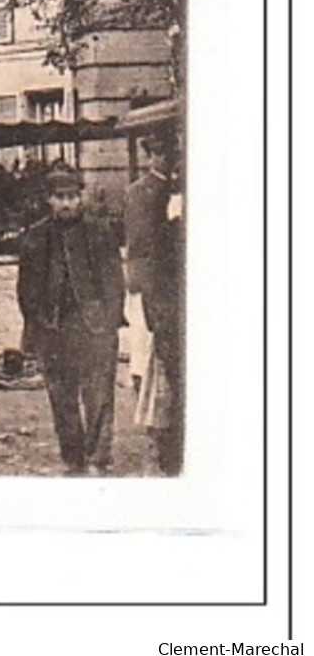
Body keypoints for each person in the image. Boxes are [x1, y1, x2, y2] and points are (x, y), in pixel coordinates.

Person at [16, 165, 126, 475]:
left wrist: (108, 323)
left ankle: (98, 458)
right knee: (61, 398)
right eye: (59, 197)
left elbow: (113, 283)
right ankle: (73, 458)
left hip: (94, 329)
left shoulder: (100, 231)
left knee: (98, 396)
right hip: (53, 330)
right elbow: (26, 290)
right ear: (48, 200)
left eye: (72, 197)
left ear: (82, 198)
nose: (67, 204)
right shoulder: (36, 237)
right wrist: (36, 327)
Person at [127, 135, 185, 475]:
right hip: (153, 294)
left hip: (172, 292)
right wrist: (147, 297)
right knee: (149, 362)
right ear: (151, 155)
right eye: (159, 152)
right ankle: (158, 438)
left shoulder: (178, 192)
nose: (165, 159)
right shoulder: (141, 192)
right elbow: (140, 249)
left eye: (169, 152)